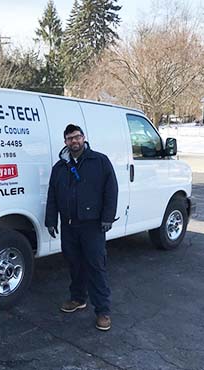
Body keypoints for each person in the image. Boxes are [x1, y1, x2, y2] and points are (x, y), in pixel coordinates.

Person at [45, 124, 118, 331]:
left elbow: (111, 191)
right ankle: (78, 298)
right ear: (65, 142)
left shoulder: (99, 161)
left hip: (92, 225)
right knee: (74, 264)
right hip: (69, 226)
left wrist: (107, 217)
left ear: (84, 138)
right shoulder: (59, 167)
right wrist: (51, 220)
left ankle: (103, 310)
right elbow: (52, 195)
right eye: (69, 138)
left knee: (96, 266)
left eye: (77, 137)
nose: (74, 141)